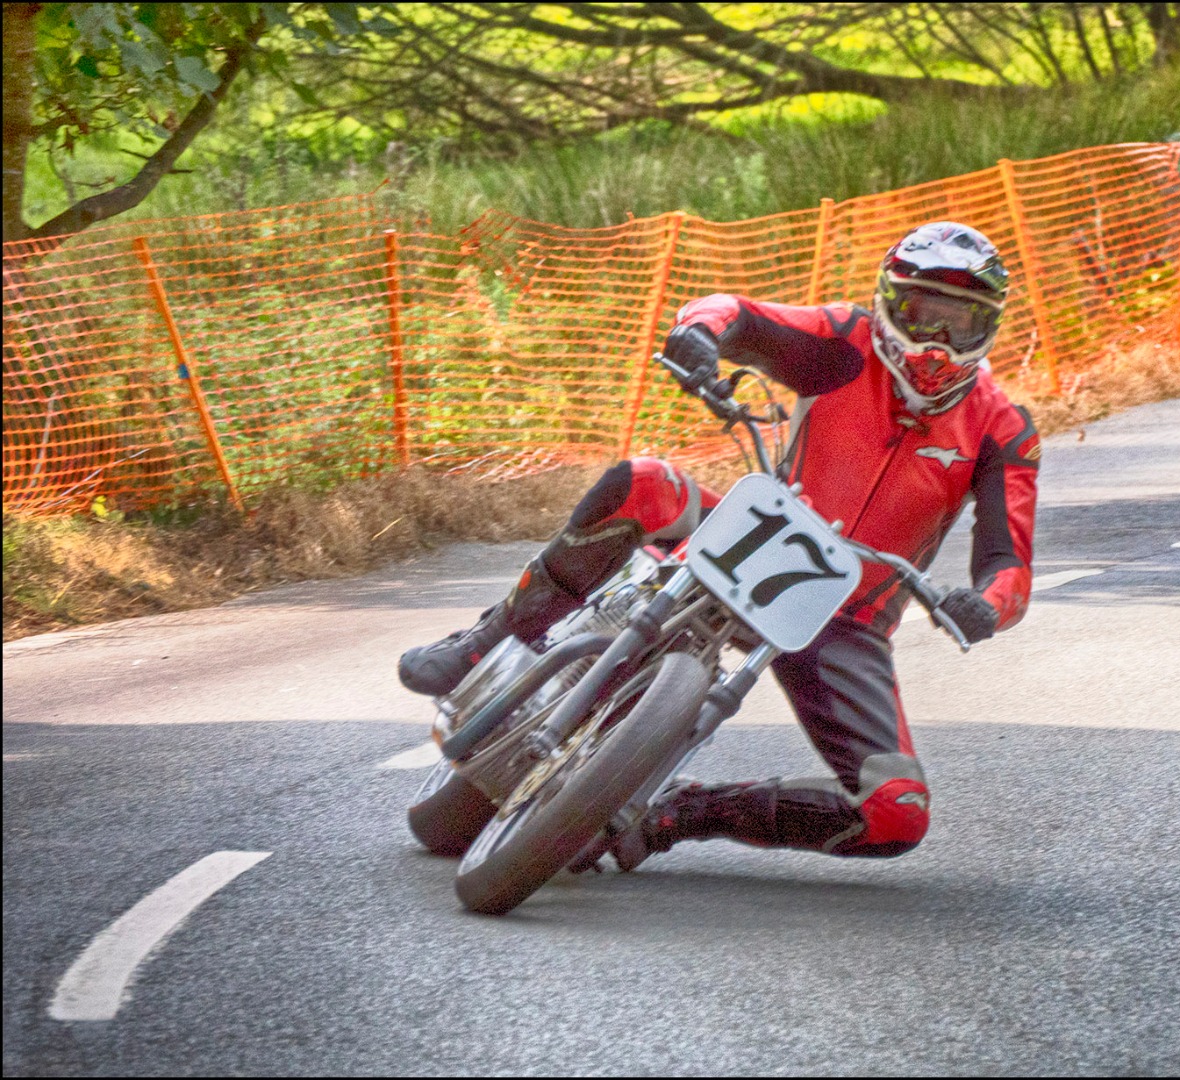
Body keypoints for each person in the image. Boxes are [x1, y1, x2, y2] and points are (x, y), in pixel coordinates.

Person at [399, 221, 1040, 870]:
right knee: (642, 483)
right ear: (889, 304)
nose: (937, 340)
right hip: (754, 535)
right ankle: (483, 640)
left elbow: (1009, 566)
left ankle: (680, 812)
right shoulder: (845, 344)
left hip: (845, 619)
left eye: (959, 322)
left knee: (895, 810)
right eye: (923, 314)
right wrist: (698, 335)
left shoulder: (1002, 429)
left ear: (987, 326)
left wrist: (985, 607)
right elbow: (738, 314)